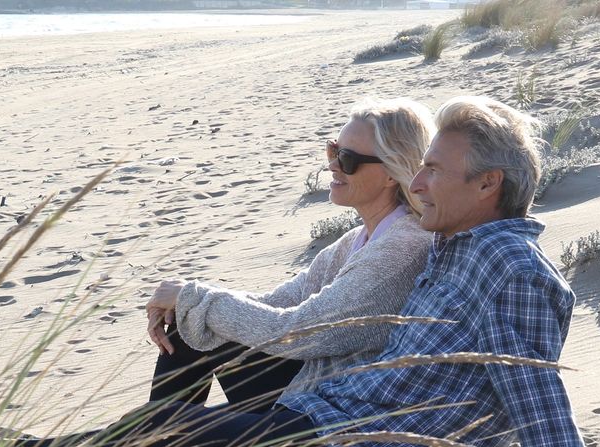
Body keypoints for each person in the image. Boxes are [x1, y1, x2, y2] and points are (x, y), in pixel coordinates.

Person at [0, 96, 600, 447]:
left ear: (488, 184)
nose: (418, 185)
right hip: (338, 426)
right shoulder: (456, 247)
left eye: (433, 172)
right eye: (415, 169)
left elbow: (535, 396)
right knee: (179, 445)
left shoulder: (513, 272)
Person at [144, 97, 435, 414]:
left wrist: (192, 297)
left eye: (348, 159)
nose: (332, 165)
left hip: (329, 409)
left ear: (392, 172)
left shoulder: (401, 249)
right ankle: (153, 445)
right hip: (309, 374)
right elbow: (274, 304)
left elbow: (300, 333)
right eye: (333, 151)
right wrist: (188, 299)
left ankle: (152, 442)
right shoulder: (357, 241)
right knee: (191, 326)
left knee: (198, 318)